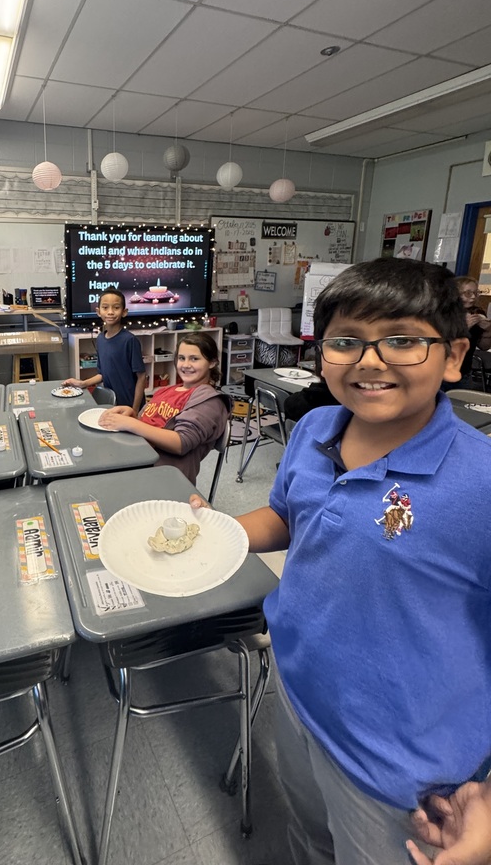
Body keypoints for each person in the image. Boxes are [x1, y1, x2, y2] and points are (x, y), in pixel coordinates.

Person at [191, 258, 491, 864]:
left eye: (403, 341)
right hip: (300, 701)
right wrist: (212, 532)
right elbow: (290, 516)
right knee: (308, 842)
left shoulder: (480, 482)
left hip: (402, 772)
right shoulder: (317, 427)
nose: (370, 360)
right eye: (346, 341)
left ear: (454, 356)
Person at [98, 331, 230, 483]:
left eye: (194, 359)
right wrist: (132, 415)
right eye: (181, 358)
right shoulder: (166, 391)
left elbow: (182, 442)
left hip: (160, 474)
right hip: (136, 456)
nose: (186, 365)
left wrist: (131, 423)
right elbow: (147, 423)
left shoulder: (210, 401)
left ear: (212, 362)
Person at [65, 287, 147, 412]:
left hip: (130, 406)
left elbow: (141, 377)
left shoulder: (130, 341)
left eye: (116, 307)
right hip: (112, 404)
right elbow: (103, 374)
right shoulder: (100, 339)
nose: (110, 312)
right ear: (98, 311)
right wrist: (82, 383)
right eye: (105, 307)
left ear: (124, 312)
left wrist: (134, 410)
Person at [444, 276, 491, 390]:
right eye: (468, 293)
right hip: (441, 371)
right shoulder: (444, 313)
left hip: (464, 371)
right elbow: (440, 344)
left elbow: (484, 346)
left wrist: (488, 330)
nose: (473, 297)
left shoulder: (478, 312)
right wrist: (464, 328)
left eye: (476, 293)